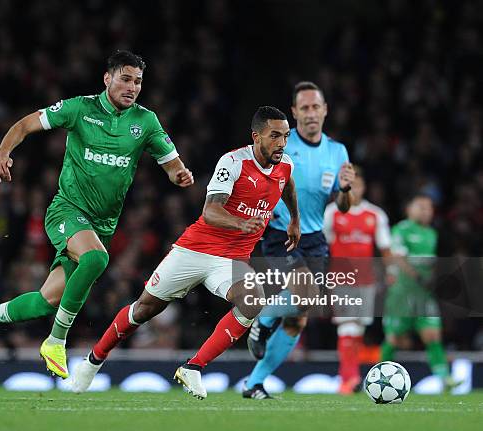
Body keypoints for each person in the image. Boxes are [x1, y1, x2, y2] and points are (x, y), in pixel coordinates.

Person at [0, 50, 194, 380]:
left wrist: (180, 175)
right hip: (67, 210)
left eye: (137, 81)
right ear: (107, 79)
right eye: (125, 78)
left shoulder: (145, 121)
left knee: (45, 300)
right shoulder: (79, 108)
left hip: (101, 225)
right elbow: (25, 124)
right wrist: (3, 152)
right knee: (96, 259)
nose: (132, 86)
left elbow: (171, 166)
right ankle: (56, 340)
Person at [71, 106, 300, 399]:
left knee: (253, 301)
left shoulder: (286, 164)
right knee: (144, 310)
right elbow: (211, 211)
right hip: (195, 249)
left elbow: (287, 185)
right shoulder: (233, 163)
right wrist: (242, 223)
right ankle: (93, 360)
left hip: (231, 259)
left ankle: (193, 368)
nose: (281, 143)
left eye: (286, 136)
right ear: (256, 136)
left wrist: (295, 219)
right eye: (274, 136)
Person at [243, 81, 354, 399]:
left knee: (297, 321)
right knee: (306, 296)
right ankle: (263, 319)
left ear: (324, 110)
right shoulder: (282, 145)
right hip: (282, 233)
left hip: (316, 237)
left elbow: (342, 207)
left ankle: (254, 383)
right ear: (293, 113)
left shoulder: (337, 151)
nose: (310, 113)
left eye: (315, 106)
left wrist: (346, 190)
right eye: (303, 108)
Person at [323, 166, 392, 394]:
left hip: (367, 281)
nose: (355, 190)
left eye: (359, 185)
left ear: (364, 188)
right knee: (347, 327)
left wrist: (391, 272)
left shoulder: (376, 215)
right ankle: (348, 378)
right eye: (351, 186)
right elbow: (323, 244)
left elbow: (385, 248)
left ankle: (352, 377)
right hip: (341, 278)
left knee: (358, 329)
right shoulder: (333, 212)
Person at [382, 193, 459, 390]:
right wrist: (418, 277)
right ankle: (379, 376)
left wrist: (434, 278)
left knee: (432, 335)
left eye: (429, 208)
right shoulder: (402, 229)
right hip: (402, 293)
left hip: (424, 295)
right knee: (395, 338)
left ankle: (445, 379)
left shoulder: (432, 234)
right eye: (421, 207)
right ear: (410, 209)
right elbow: (398, 257)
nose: (426, 211)